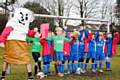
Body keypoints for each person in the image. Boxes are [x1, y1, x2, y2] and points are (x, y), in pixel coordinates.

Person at [0, 8, 34, 80]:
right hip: (12, 43)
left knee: (25, 60)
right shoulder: (12, 23)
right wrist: (1, 41)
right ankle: (3, 76)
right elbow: (5, 32)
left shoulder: (22, 25)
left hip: (20, 43)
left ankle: (30, 76)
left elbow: (28, 32)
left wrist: (34, 32)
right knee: (7, 59)